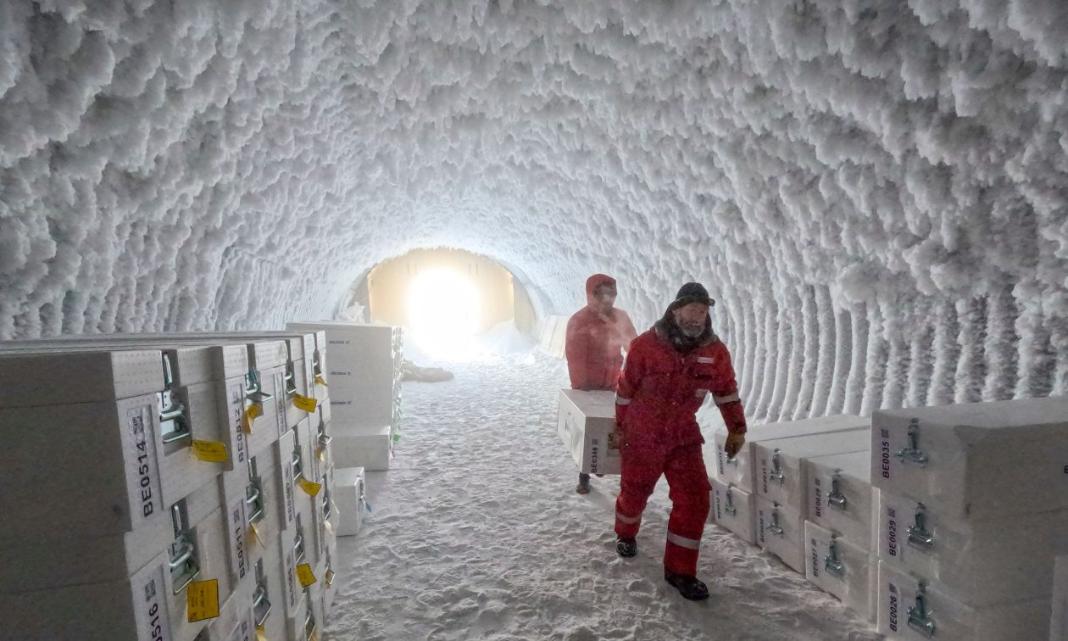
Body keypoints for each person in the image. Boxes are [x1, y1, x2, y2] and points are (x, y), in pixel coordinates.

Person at [612, 282, 747, 601]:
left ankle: (680, 571)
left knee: (696, 498)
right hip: (643, 432)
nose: (697, 317)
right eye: (691, 310)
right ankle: (626, 532)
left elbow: (726, 391)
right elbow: (625, 389)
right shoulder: (646, 345)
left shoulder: (715, 352)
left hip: (682, 435)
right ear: (675, 311)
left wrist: (737, 428)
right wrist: (620, 427)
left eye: (702, 311)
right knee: (635, 493)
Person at [564, 273, 638, 494]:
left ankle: (606, 465)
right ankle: (584, 474)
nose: (607, 299)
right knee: (589, 430)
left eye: (611, 294)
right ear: (592, 295)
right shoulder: (579, 321)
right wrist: (581, 387)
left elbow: (633, 347)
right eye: (602, 294)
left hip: (613, 383)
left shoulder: (620, 318)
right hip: (588, 386)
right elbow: (576, 357)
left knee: (614, 427)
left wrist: (635, 376)